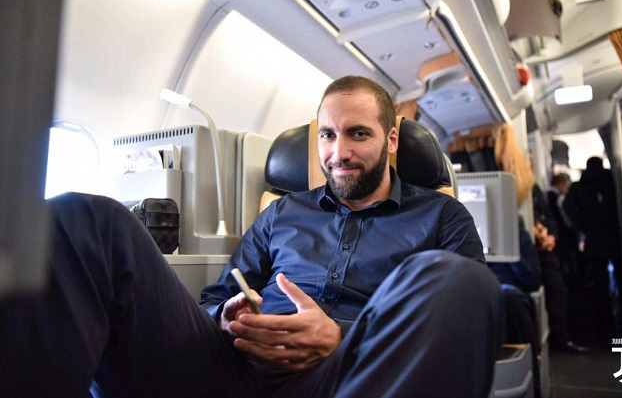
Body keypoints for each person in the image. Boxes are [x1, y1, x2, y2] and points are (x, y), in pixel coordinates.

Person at [0, 76, 503, 398]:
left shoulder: (441, 216)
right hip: (232, 369)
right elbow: (219, 294)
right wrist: (227, 318)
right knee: (86, 220)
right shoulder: (282, 211)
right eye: (327, 135)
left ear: (392, 140)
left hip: (346, 376)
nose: (338, 152)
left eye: (358, 134)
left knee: (456, 280)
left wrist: (340, 338)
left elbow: (473, 322)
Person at [563, 156, 622, 342]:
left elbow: (568, 207)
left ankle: (604, 329)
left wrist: (582, 227)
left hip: (594, 240)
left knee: (599, 285)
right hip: (614, 238)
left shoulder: (581, 185)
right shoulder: (609, 179)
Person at [488, 217, 543, 397]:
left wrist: (511, 254)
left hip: (513, 291)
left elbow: (533, 280)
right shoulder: (472, 236)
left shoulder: (519, 236)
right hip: (485, 290)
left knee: (506, 294)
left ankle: (531, 364)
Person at [532, 184, 589, 353]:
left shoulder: (533, 188)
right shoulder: (523, 187)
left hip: (546, 249)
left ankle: (560, 338)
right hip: (534, 249)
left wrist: (551, 236)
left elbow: (549, 218)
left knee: (558, 293)